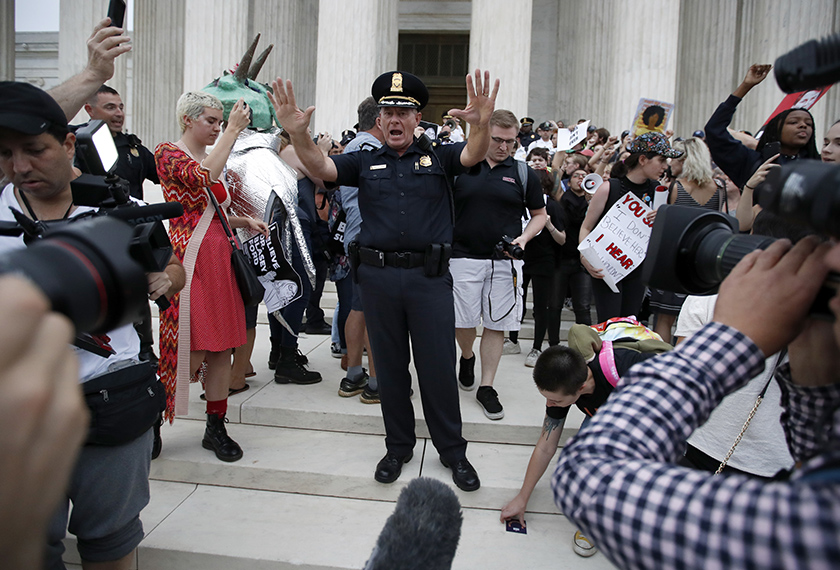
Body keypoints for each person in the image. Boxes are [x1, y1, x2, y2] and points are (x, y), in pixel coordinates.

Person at [269, 69, 498, 491]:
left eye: (404, 112)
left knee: (437, 370)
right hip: (377, 278)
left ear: (417, 118)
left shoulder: (440, 157)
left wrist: (480, 124)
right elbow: (320, 165)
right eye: (387, 111)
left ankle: (453, 451)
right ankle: (398, 447)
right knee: (389, 369)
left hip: (428, 281)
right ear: (379, 119)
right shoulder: (363, 160)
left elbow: (473, 154)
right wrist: (297, 134)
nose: (395, 119)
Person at [553, 235, 840, 570]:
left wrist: (731, 338)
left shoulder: (816, 528)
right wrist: (816, 366)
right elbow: (821, 451)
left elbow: (588, 478)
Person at [0, 81, 184, 570]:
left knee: (110, 542)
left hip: (113, 400)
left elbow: (175, 268)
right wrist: (89, 72)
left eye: (35, 150)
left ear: (67, 143)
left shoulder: (114, 210)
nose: (20, 167)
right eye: (5, 154)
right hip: (19, 410)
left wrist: (164, 278)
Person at [155, 91, 268, 463]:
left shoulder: (211, 154)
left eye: (220, 122)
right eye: (210, 121)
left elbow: (212, 206)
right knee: (191, 347)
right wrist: (233, 133)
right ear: (187, 119)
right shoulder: (168, 153)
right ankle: (152, 418)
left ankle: (215, 425)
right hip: (189, 261)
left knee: (221, 347)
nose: (217, 128)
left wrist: (242, 220)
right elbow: (201, 180)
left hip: (221, 256)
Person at [501, 325, 669, 557]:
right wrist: (523, 497)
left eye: (555, 401)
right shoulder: (565, 383)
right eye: (547, 399)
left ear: (580, 388)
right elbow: (546, 445)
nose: (550, 406)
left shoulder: (631, 369)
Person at [451, 109, 546, 419]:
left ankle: (487, 386)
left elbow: (539, 215)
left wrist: (524, 239)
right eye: (497, 140)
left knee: (497, 323)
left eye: (511, 141)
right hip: (462, 256)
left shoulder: (522, 173)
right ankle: (467, 356)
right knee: (463, 320)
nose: (504, 146)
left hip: (504, 262)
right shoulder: (461, 166)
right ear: (482, 135)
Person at [579, 132, 683, 321]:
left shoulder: (659, 191)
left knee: (629, 324)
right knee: (609, 325)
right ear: (643, 159)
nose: (665, 166)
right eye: (661, 160)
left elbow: (663, 236)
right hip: (606, 268)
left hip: (638, 270)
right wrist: (585, 255)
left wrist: (663, 219)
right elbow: (586, 227)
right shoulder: (609, 187)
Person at [648, 137, 728, 343]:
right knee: (696, 321)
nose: (669, 163)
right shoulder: (719, 188)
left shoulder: (677, 187)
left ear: (685, 160)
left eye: (673, 158)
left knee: (664, 320)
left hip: (673, 261)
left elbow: (668, 227)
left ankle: (664, 365)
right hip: (703, 264)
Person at [704, 63, 820, 190]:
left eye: (808, 124)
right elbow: (714, 129)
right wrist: (745, 87)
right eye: (793, 122)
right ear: (776, 130)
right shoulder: (751, 161)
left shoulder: (819, 166)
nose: (803, 125)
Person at [336, 96, 382, 403]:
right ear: (380, 119)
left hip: (354, 236)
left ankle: (354, 372)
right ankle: (378, 381)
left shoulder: (350, 148)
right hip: (372, 238)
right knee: (376, 313)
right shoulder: (373, 151)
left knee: (357, 306)